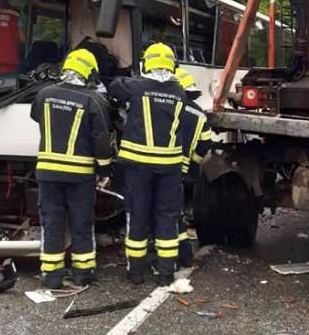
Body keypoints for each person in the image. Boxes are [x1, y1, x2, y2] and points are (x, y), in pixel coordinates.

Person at [30, 48, 114, 289]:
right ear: (88, 72)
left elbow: (37, 117)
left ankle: (52, 276)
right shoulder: (94, 100)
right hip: (79, 174)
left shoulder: (44, 94)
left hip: (47, 172)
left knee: (52, 221)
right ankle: (83, 273)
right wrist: (105, 171)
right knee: (81, 222)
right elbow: (101, 140)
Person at [108, 42, 187, 286]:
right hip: (170, 166)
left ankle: (136, 272)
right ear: (171, 64)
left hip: (139, 165)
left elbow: (114, 88)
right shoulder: (180, 91)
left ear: (147, 63)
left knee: (138, 214)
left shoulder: (137, 86)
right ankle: (165, 273)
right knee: (166, 215)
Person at [174, 67, 211, 268]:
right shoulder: (200, 114)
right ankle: (184, 254)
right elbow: (205, 144)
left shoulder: (170, 106)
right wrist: (194, 161)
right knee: (177, 212)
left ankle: (177, 255)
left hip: (167, 167)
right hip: (187, 171)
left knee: (165, 212)